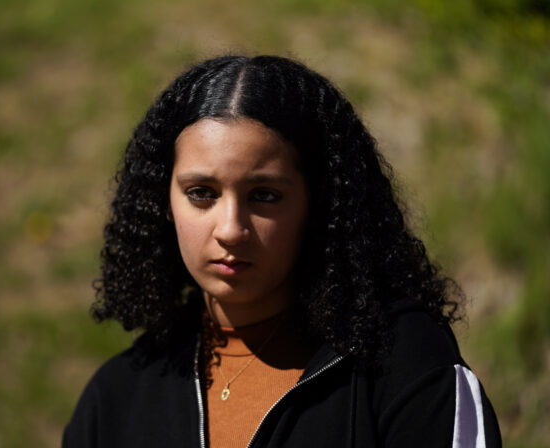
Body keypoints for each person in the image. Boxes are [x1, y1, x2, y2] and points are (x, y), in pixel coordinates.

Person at [62, 55, 501, 447]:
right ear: (164, 201)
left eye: (264, 196)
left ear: (320, 203)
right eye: (201, 193)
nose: (231, 230)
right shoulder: (117, 396)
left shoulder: (403, 362)